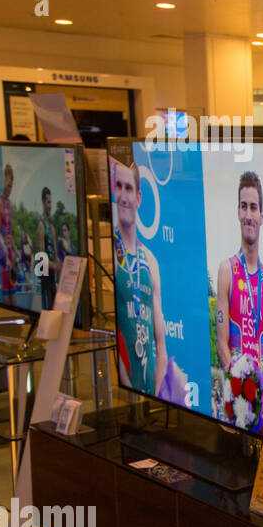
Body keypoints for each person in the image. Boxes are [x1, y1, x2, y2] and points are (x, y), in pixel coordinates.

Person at [216, 171, 263, 435]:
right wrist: (241, 400)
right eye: (244, 206)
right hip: (236, 411)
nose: (248, 214)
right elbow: (222, 346)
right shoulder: (227, 270)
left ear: (262, 215)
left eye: (253, 207)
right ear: (238, 211)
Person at [111, 160, 168, 396]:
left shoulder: (150, 262)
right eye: (119, 186)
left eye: (129, 188)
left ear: (139, 197)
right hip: (126, 391)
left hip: (150, 393)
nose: (124, 196)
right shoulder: (112, 257)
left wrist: (157, 398)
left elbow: (161, 347)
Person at [35, 186, 60, 311]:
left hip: (53, 278)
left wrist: (61, 266)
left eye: (51, 202)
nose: (50, 205)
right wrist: (54, 266)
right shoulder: (41, 226)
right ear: (43, 202)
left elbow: (56, 255)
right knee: (48, 311)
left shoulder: (52, 228)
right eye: (48, 202)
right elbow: (41, 257)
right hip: (45, 278)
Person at [0, 164, 15, 302]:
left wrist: (15, 251)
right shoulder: (0, 202)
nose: (10, 190)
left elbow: (10, 232)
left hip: (9, 251)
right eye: (8, 186)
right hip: (1, 253)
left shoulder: (9, 204)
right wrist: (5, 255)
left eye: (11, 187)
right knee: (5, 293)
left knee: (12, 287)